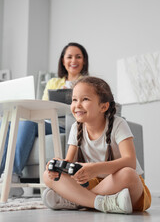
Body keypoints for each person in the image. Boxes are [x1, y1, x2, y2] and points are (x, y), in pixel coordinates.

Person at [42, 76, 151, 214]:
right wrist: (58, 166)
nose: (77, 104)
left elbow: (130, 162)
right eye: (74, 100)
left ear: (103, 106)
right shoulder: (76, 128)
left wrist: (95, 169)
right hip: (92, 184)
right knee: (47, 175)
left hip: (123, 186)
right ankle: (101, 203)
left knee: (128, 174)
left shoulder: (118, 124)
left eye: (85, 99)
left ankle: (77, 201)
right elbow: (69, 162)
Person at [0, 42, 89, 197]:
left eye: (78, 57)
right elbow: (41, 106)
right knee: (8, 122)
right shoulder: (53, 82)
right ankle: (3, 175)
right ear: (63, 61)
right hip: (45, 121)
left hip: (63, 125)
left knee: (28, 122)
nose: (73, 60)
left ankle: (13, 175)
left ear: (84, 61)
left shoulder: (87, 83)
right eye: (69, 57)